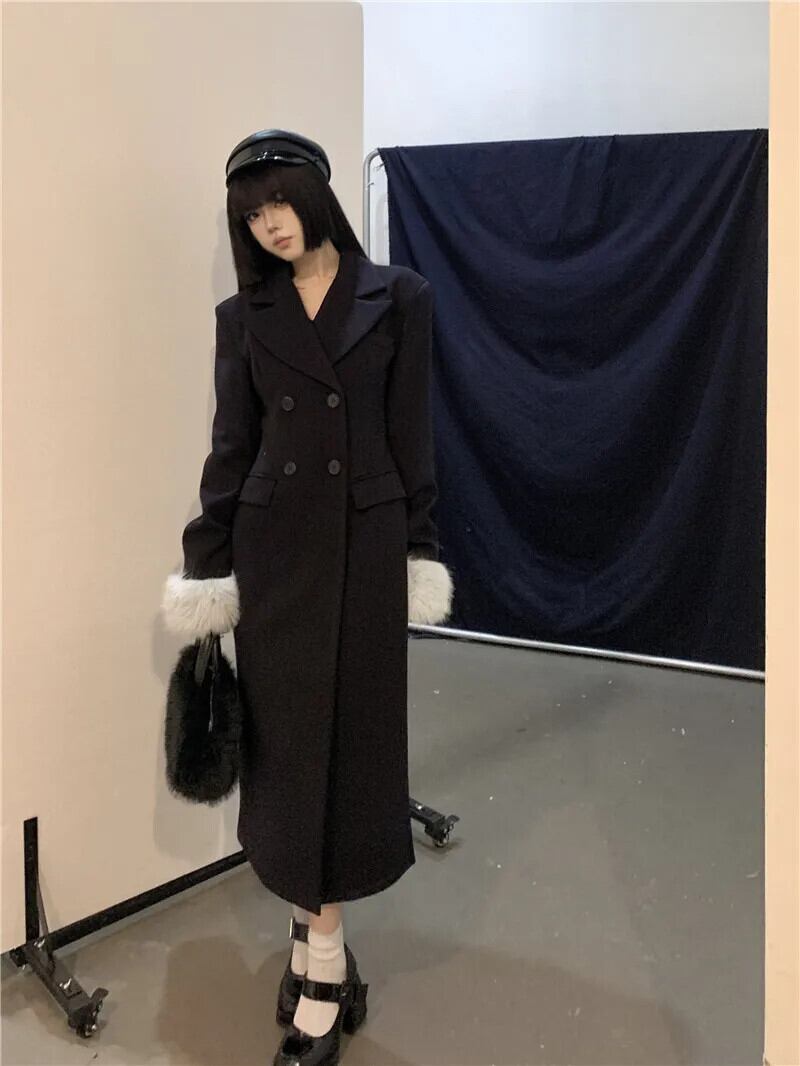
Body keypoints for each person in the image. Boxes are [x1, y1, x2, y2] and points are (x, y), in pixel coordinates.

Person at [161, 130, 453, 1064]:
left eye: (281, 201)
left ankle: (321, 957)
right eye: (252, 214)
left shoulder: (399, 297)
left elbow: (412, 441)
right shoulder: (243, 316)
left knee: (351, 754)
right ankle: (320, 956)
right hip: (276, 555)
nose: (270, 224)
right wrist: (207, 565)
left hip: (365, 553)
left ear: (316, 195)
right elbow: (231, 449)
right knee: (286, 758)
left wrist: (417, 552)